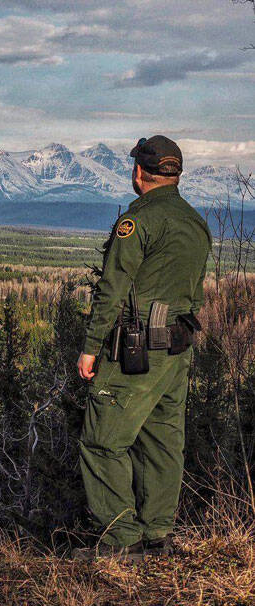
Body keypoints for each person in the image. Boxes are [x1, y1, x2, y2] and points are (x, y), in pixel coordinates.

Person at [73, 135, 211, 562]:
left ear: (138, 173)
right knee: (163, 441)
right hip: (177, 350)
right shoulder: (195, 223)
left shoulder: (137, 223)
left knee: (102, 442)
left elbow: (111, 291)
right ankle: (156, 536)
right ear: (177, 174)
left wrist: (90, 347)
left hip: (136, 350)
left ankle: (122, 540)